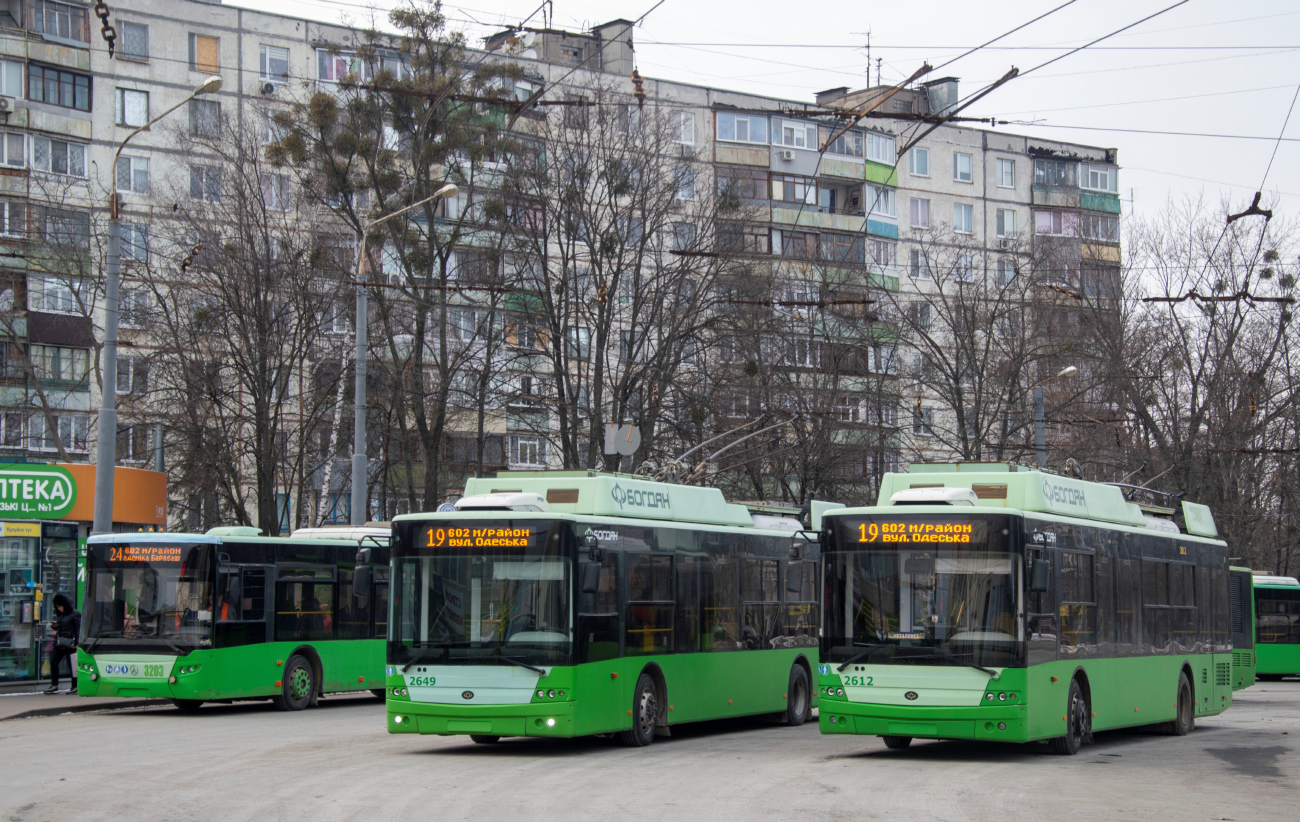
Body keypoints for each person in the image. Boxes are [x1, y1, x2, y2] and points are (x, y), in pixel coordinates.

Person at [44, 593, 80, 695]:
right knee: (53, 661)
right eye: (57, 607)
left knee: (72, 665)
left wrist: (77, 643)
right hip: (60, 642)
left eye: (60, 606)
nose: (59, 609)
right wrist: (55, 626)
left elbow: (78, 629)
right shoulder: (61, 615)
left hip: (71, 643)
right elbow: (62, 627)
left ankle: (75, 686)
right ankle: (54, 685)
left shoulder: (75, 614)